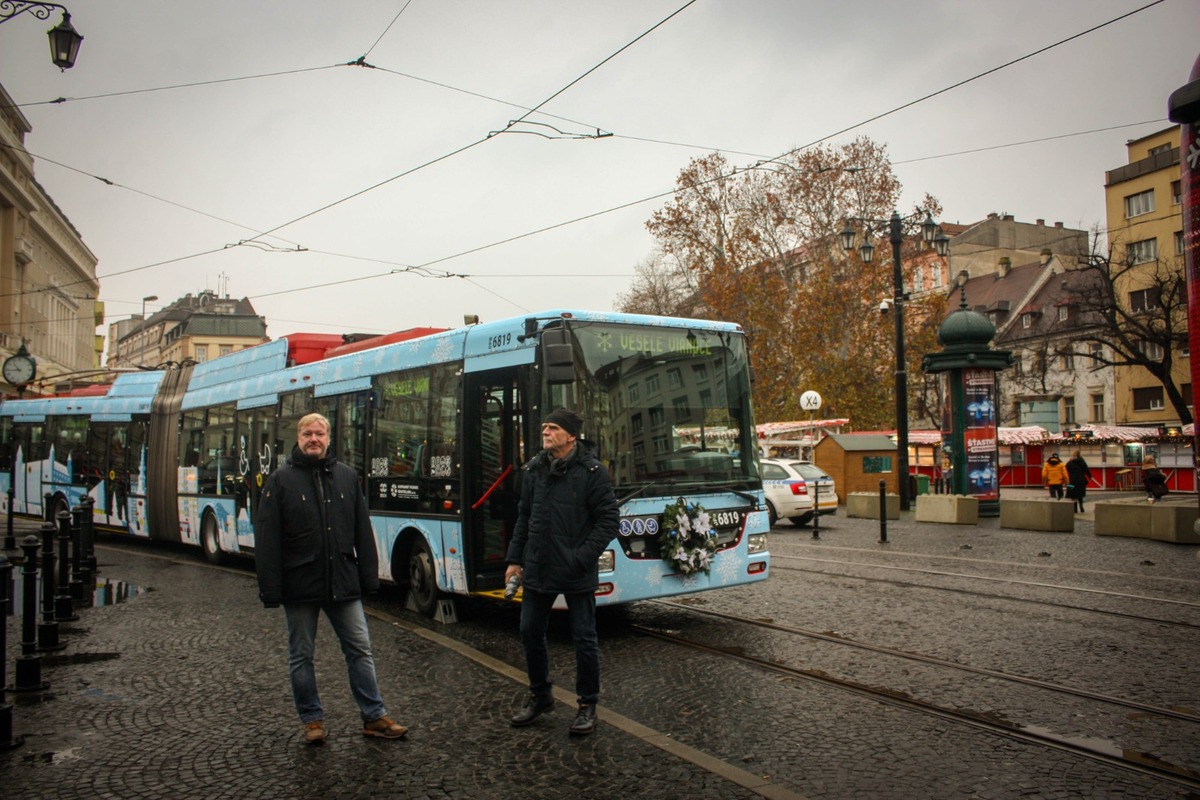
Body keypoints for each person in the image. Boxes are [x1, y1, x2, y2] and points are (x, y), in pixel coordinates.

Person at [255, 413, 407, 745]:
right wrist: (271, 589)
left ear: (328, 438)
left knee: (361, 650)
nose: (314, 438)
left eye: (320, 433)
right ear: (298, 437)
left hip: (343, 581)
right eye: (308, 433)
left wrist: (369, 579)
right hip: (300, 585)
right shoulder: (281, 480)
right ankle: (312, 722)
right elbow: (267, 538)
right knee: (301, 655)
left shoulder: (346, 477)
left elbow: (362, 532)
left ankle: (374, 716)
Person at [505, 408, 619, 737]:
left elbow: (609, 520)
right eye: (543, 427)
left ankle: (587, 705)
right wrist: (515, 559)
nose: (545, 432)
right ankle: (541, 696)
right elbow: (524, 517)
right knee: (529, 631)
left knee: (584, 638)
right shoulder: (535, 470)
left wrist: (580, 556)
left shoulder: (592, 472)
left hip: (574, 569)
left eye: (553, 428)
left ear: (570, 435)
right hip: (539, 565)